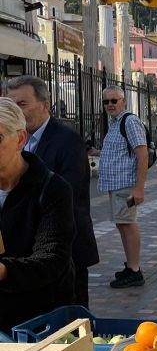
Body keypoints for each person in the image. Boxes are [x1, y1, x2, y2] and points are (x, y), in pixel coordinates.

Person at [7, 75, 99, 307]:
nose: (16, 111)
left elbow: (69, 191)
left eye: (22, 104)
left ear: (45, 105)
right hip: (23, 258)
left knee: (72, 317)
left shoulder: (68, 141)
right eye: (10, 104)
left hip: (67, 250)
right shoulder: (11, 141)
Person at [0, 98, 75, 335]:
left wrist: (4, 271)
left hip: (39, 325)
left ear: (20, 139)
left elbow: (52, 259)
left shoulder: (52, 189)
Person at [97, 87, 147, 289]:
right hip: (116, 184)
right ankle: (131, 266)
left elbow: (142, 154)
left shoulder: (129, 121)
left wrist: (139, 188)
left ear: (124, 101)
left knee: (128, 224)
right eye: (106, 101)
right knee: (122, 224)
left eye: (114, 100)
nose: (110, 104)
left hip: (125, 184)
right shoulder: (114, 123)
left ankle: (135, 271)